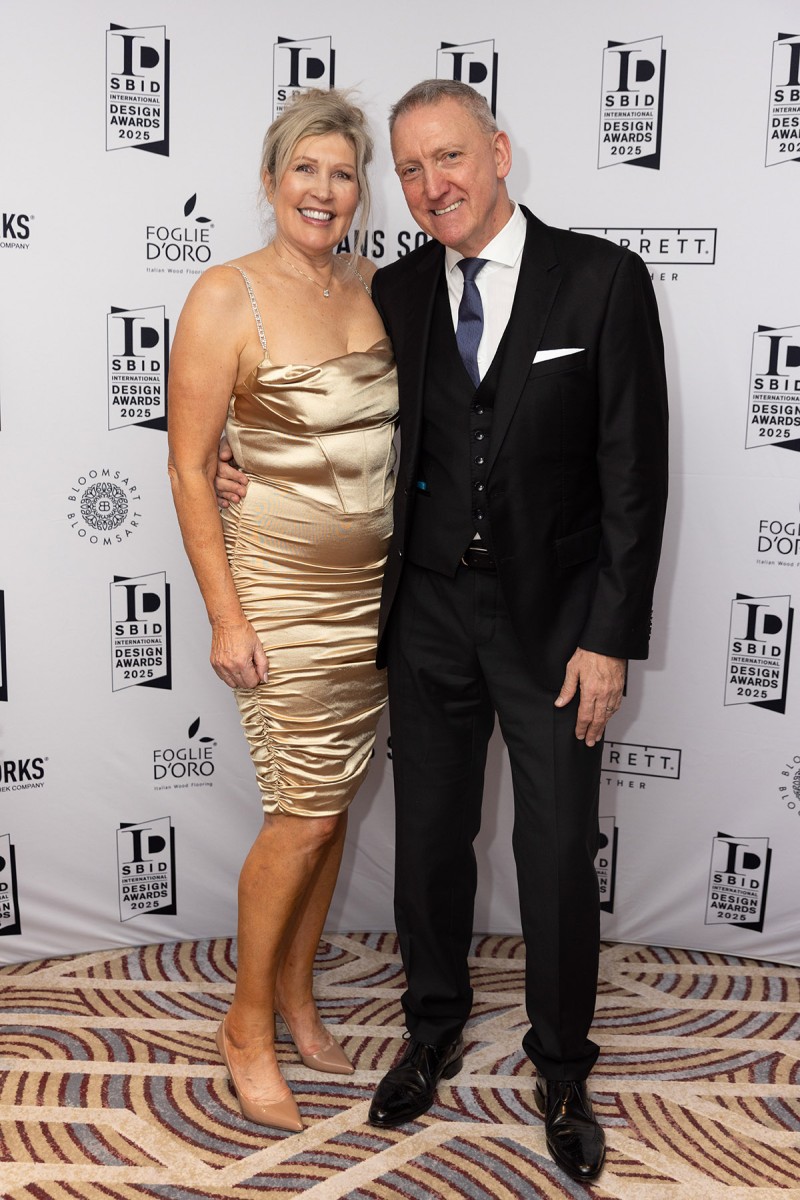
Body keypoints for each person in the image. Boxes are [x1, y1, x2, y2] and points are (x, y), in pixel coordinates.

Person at [217, 78, 668, 1181]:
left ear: (499, 152)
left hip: (556, 626)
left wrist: (609, 635)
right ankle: (429, 1031)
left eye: (449, 158)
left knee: (555, 849)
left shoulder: (601, 279)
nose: (431, 186)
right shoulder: (398, 288)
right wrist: (241, 461)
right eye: (411, 170)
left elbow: (632, 472)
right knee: (427, 842)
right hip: (423, 611)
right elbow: (324, 403)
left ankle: (562, 1066)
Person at [168, 88, 397, 1134]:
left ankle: (299, 997)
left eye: (342, 173)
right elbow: (188, 466)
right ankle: (245, 1024)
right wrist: (226, 615)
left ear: (360, 191)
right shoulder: (227, 294)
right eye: (304, 168)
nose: (322, 189)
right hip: (278, 596)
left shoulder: (379, 287)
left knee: (330, 807)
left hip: (374, 597)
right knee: (300, 811)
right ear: (270, 181)